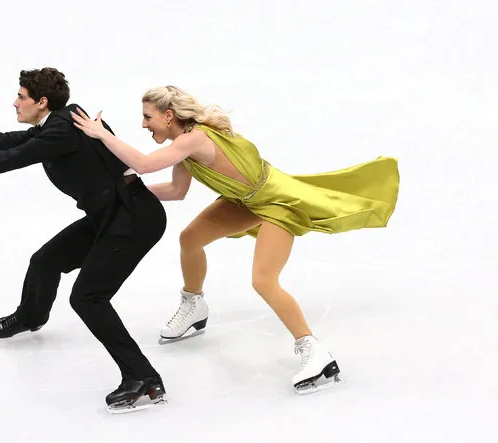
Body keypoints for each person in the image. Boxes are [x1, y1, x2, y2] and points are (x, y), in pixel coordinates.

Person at [71, 85, 400, 394]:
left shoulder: (193, 140)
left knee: (263, 280)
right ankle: (194, 304)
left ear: (168, 116)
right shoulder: (183, 148)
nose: (143, 125)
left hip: (276, 203)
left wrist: (100, 134)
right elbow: (176, 191)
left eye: (147, 117)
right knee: (190, 239)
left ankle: (315, 351)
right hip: (246, 201)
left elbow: (143, 164)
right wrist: (125, 193)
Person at [0, 68, 168, 412]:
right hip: (109, 214)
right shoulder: (59, 123)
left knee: (89, 298)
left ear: (41, 102)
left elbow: (13, 157)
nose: (15, 103)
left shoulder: (63, 128)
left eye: (21, 97)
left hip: (133, 218)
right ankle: (31, 315)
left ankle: (144, 378)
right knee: (46, 261)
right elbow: (7, 141)